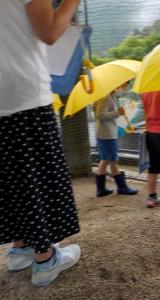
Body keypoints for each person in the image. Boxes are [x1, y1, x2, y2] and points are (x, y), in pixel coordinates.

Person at [0, 0, 81, 286]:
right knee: (38, 178)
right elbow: (49, 33)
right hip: (25, 90)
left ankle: (20, 248)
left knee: (12, 177)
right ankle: (45, 259)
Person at [93, 83, 139, 197]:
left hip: (104, 133)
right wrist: (117, 113)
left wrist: (118, 111)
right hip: (107, 134)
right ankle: (122, 187)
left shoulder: (110, 95)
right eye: (123, 86)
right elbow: (99, 114)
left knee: (104, 160)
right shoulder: (106, 96)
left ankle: (101, 189)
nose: (124, 88)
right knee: (113, 160)